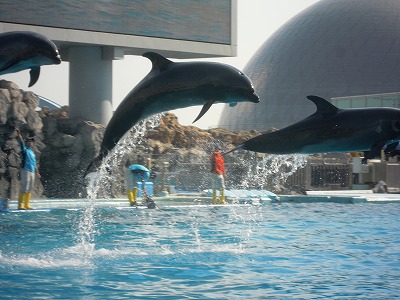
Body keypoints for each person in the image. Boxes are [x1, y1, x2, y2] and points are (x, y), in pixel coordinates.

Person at [16, 129, 40, 210]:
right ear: (27, 142)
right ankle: (20, 205)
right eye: (29, 141)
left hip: (32, 171)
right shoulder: (24, 149)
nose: (31, 142)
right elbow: (21, 141)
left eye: (32, 141)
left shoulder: (32, 152)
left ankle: (26, 204)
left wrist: (37, 172)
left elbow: (34, 163)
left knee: (30, 188)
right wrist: (19, 133)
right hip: (25, 170)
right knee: (25, 187)